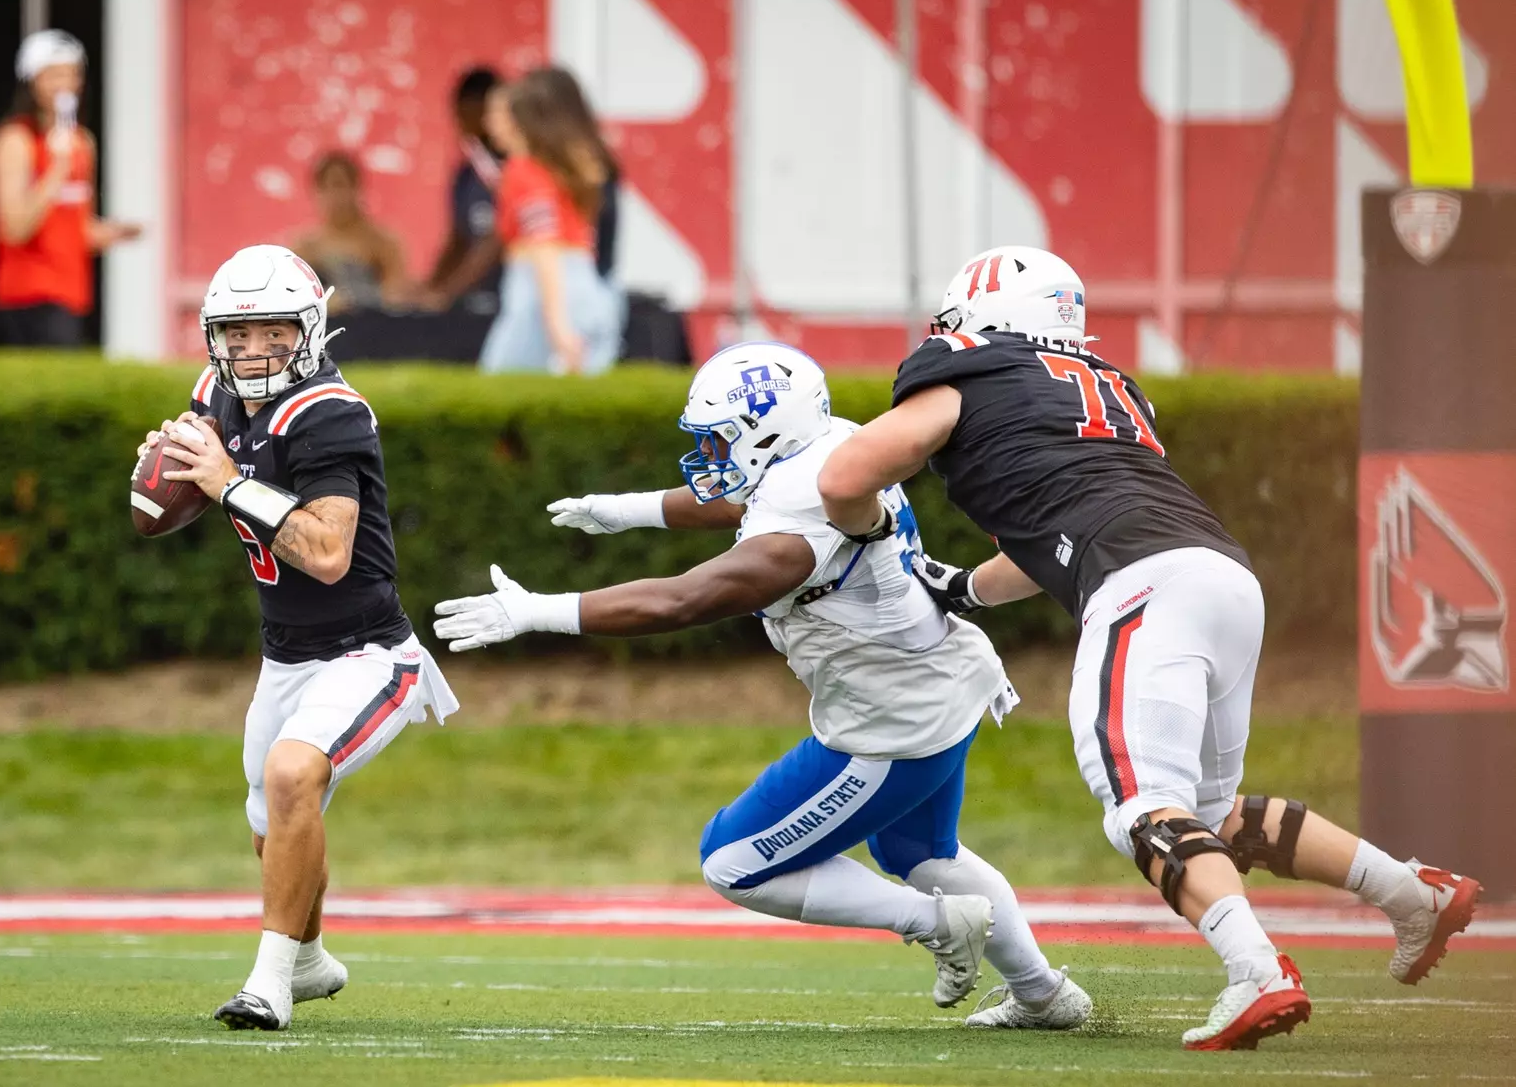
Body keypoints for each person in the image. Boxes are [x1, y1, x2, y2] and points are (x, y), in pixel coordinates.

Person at [814, 245, 1483, 1051]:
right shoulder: (1109, 389)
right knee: (1207, 813)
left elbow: (845, 477)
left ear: (982, 317)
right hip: (1222, 577)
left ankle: (1256, 972)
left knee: (1142, 809)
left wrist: (871, 538)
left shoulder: (968, 368)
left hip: (1142, 586)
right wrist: (957, 589)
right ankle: (1411, 892)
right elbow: (1044, 540)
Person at [432, 341, 1092, 1030]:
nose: (710, 456)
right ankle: (1045, 994)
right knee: (920, 852)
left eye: (721, 440)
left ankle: (935, 923)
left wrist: (538, 611)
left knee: (733, 861)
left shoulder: (793, 543)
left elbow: (680, 601)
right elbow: (742, 498)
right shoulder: (834, 446)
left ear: (769, 433)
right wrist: (626, 509)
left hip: (892, 721)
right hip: (939, 675)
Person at [136, 244, 459, 1030]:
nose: (252, 351)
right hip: (283, 655)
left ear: (308, 331)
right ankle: (310, 960)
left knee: (291, 775)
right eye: (236, 335)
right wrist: (163, 477)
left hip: (369, 652)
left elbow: (325, 554)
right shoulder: (217, 391)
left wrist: (225, 482)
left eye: (272, 333)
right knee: (269, 817)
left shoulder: (328, 412)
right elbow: (151, 515)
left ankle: (267, 985)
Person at [0, 29, 141, 347]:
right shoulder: (16, 140)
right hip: (27, 292)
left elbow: (77, 224)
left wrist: (111, 233)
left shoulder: (83, 142)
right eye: (54, 75)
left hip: (73, 290)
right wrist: (55, 171)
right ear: (32, 81)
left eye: (73, 74)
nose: (65, 85)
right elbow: (14, 228)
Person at [477, 67, 622, 375]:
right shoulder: (565, 172)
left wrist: (557, 325)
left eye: (499, 113)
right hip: (586, 292)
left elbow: (544, 245)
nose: (489, 124)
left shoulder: (523, 172)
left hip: (542, 296)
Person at [414, 67, 504, 313]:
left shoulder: (519, 168)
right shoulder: (467, 175)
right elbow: (459, 239)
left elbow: (498, 239)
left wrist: (448, 292)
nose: (459, 122)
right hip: (476, 300)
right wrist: (430, 288)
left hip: (513, 297)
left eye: (464, 112)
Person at [292, 151, 407, 314]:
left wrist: (358, 298)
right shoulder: (305, 248)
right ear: (316, 192)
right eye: (326, 187)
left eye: (340, 185)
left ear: (356, 188)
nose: (335, 195)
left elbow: (397, 295)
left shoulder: (382, 243)